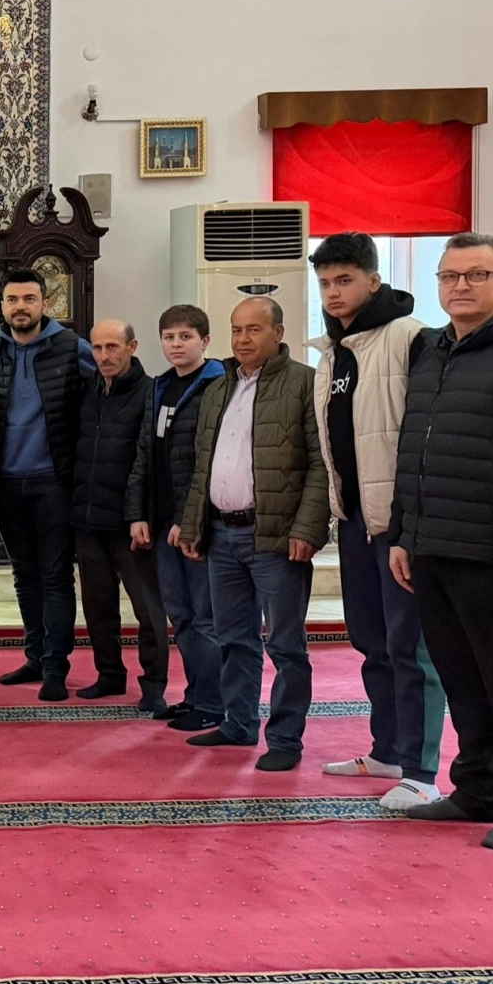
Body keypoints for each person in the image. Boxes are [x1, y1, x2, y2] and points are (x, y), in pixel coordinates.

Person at [390, 231, 493, 852]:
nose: (461, 286)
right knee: (462, 680)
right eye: (450, 276)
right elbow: (412, 447)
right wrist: (403, 534)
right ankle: (478, 790)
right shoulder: (430, 349)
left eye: (477, 275)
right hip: (433, 546)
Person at [308, 233, 444, 810]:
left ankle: (422, 771)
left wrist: (411, 522)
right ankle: (387, 750)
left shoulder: (412, 339)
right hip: (356, 519)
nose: (333, 293)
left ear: (373, 280)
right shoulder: (334, 352)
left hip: (400, 522)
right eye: (325, 283)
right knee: (371, 641)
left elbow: (425, 434)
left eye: (344, 280)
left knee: (411, 647)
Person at [179, 296, 329, 771]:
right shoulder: (219, 388)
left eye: (254, 329)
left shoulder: (305, 383)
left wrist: (308, 528)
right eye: (237, 330)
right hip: (222, 534)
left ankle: (284, 739)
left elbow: (321, 465)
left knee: (285, 645)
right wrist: (192, 523)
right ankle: (238, 723)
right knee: (233, 637)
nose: (243, 339)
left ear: (278, 333)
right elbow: (204, 465)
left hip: (277, 537)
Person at [0, 269, 95, 701]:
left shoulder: (72, 348)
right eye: (13, 300)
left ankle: (56, 667)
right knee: (24, 577)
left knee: (55, 576)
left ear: (45, 303)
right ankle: (34, 656)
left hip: (54, 484)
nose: (20, 307)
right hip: (6, 484)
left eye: (29, 299)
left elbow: (101, 403)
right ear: (3, 306)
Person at [126, 305, 225, 732]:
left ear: (205, 341)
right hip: (162, 520)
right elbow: (144, 455)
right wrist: (138, 514)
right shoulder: (160, 387)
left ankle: (214, 704)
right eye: (169, 337)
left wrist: (189, 520)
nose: (176, 344)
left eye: (186, 337)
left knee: (205, 618)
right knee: (181, 617)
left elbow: (210, 462)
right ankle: (196, 695)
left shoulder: (217, 385)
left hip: (198, 525)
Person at [71, 320, 168, 710]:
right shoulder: (87, 391)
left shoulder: (150, 393)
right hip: (89, 517)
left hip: (132, 524)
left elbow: (149, 462)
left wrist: (139, 514)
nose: (104, 356)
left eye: (112, 347)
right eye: (97, 348)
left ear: (132, 347)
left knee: (147, 607)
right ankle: (109, 674)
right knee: (98, 606)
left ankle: (154, 685)